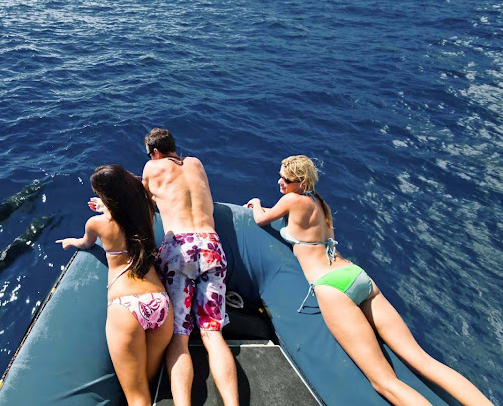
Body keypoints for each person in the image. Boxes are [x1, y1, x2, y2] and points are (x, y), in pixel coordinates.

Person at [246, 155, 493, 406]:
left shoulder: (290, 199)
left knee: (385, 383)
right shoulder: (319, 202)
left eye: (285, 179)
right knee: (423, 360)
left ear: (300, 182)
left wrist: (256, 203)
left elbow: (261, 219)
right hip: (356, 276)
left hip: (332, 288)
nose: (280, 182)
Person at [57, 164, 173, 406]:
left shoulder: (97, 224)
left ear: (105, 196)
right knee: (150, 384)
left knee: (137, 397)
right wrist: (107, 204)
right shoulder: (146, 209)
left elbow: (86, 243)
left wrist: (72, 241)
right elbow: (132, 197)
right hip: (159, 304)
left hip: (126, 306)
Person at [142, 128, 239, 406]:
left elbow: (142, 198)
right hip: (211, 245)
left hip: (180, 249)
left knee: (179, 336)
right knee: (212, 333)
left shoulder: (152, 166)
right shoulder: (196, 163)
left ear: (155, 152)